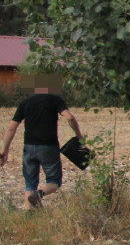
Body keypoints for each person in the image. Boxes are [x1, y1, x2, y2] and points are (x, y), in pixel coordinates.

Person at [0, 74, 83, 209]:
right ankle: (39, 194)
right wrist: (79, 136)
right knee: (54, 182)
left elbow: (11, 128)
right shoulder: (55, 100)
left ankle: (30, 216)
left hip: (28, 148)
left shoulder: (25, 102)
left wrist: (5, 149)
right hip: (48, 147)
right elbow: (70, 118)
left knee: (30, 184)